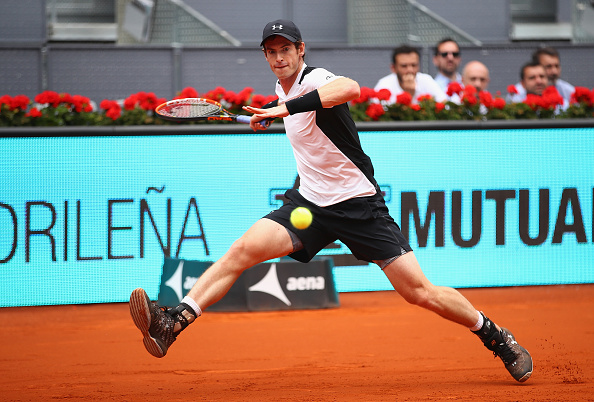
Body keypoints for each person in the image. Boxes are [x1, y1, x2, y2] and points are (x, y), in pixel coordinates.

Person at [129, 19, 533, 383]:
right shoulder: (280, 90)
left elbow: (350, 89)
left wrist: (283, 108)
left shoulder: (314, 77)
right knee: (242, 250)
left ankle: (495, 335)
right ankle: (172, 323)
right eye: (271, 51)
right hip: (309, 205)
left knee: (419, 293)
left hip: (359, 206)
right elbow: (301, 124)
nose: (278, 57)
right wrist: (273, 112)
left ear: (300, 50)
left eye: (285, 49)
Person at [374, 45, 447, 104]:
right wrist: (408, 95)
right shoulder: (384, 85)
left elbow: (444, 105)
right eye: (404, 66)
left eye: (414, 65)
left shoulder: (427, 80)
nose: (410, 70)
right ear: (393, 68)